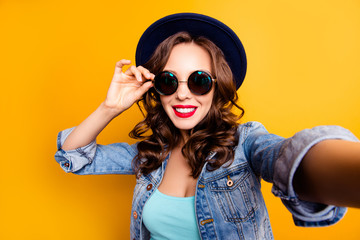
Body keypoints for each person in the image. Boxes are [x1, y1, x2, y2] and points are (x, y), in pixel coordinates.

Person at [55, 13, 360, 239]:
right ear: (156, 89)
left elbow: (286, 157)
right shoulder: (150, 156)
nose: (183, 92)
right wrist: (110, 107)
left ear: (217, 88)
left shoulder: (245, 144)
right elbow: (75, 157)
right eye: (168, 80)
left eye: (199, 81)